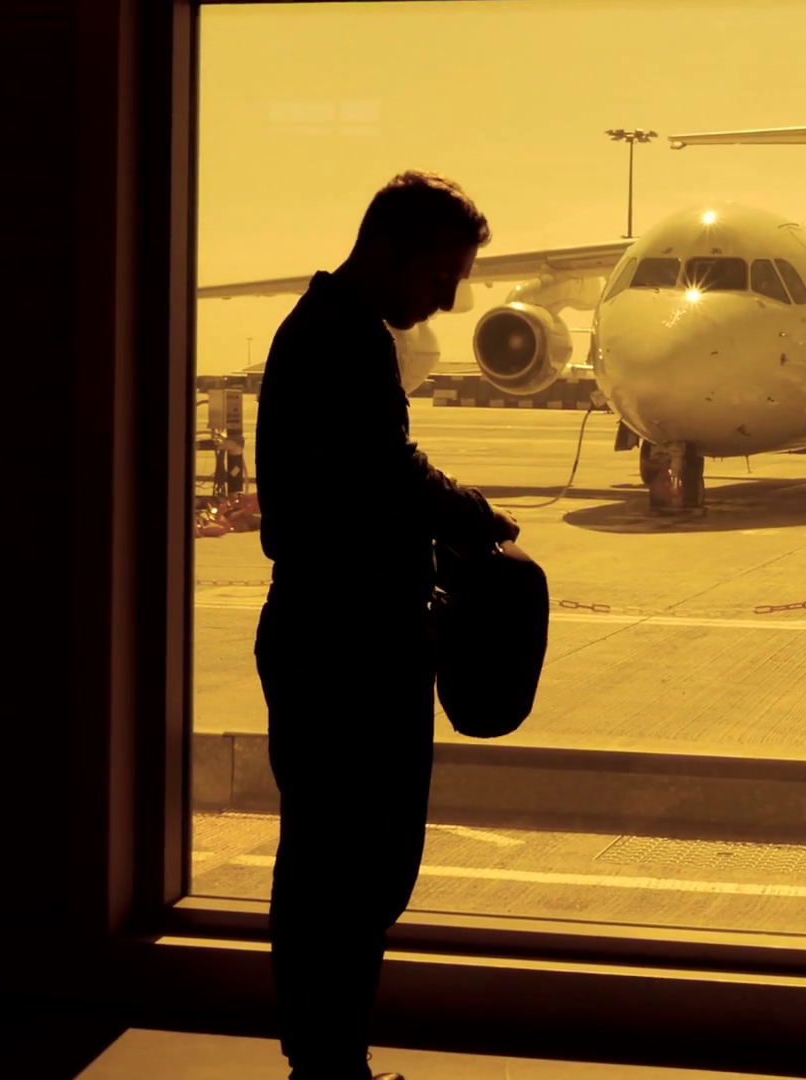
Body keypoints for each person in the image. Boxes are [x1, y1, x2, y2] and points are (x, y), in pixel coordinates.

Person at [252, 170, 519, 1080]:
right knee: (350, 868)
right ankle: (329, 1064)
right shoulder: (341, 338)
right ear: (389, 250)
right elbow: (383, 469)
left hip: (334, 633)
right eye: (441, 276)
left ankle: (327, 1059)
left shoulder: (329, 331)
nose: (446, 299)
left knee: (333, 862)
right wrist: (472, 514)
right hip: (346, 645)